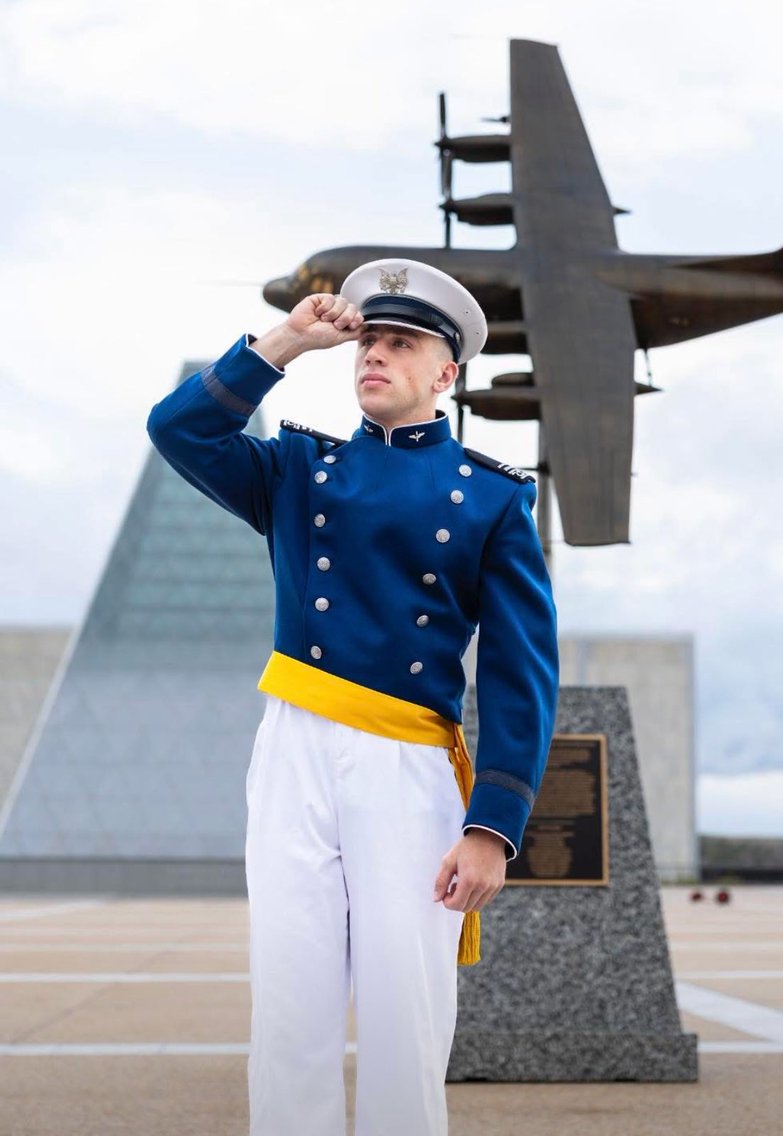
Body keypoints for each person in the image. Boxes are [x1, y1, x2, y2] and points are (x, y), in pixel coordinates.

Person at [147, 258, 559, 1136]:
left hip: (406, 766)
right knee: (288, 1008)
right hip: (292, 751)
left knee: (407, 1012)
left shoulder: (492, 500)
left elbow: (520, 673)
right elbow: (178, 430)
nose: (375, 354)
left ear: (446, 374)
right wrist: (288, 340)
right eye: (369, 340)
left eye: (401, 344)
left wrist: (492, 828)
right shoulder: (301, 471)